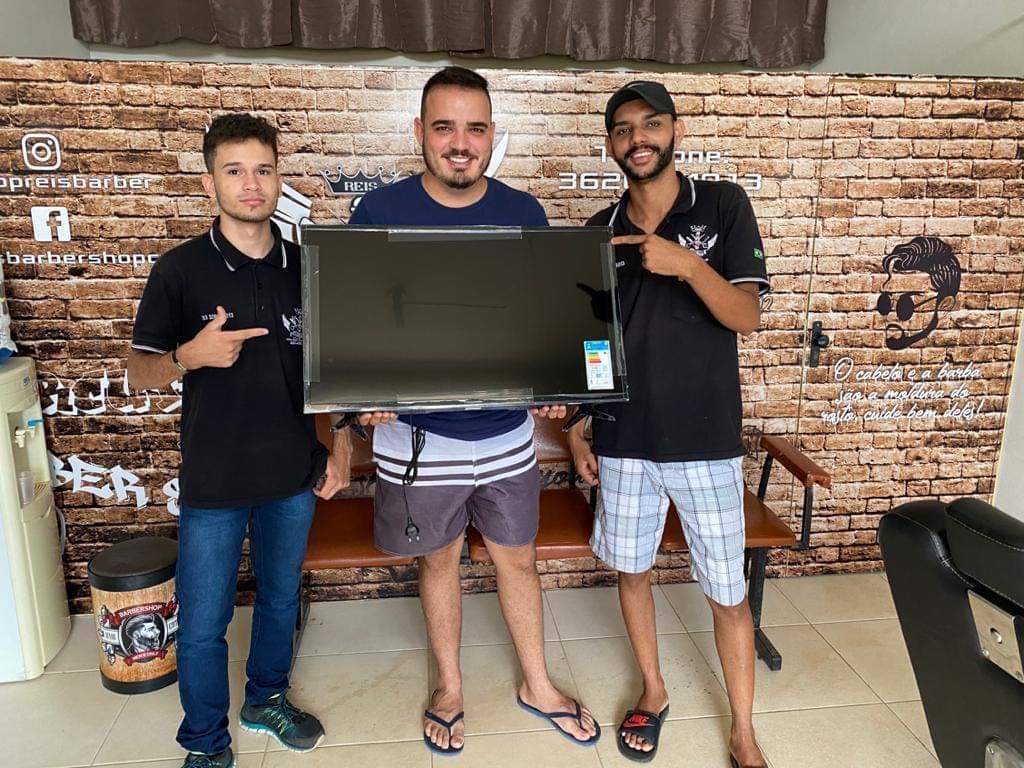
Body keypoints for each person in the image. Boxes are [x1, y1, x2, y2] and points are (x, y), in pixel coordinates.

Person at [348, 66, 600, 755]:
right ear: (418, 133)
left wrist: (557, 384)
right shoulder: (377, 213)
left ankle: (537, 685)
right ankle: (450, 690)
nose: (460, 143)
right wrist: (360, 395)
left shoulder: (525, 213)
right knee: (439, 562)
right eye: (444, 127)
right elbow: (356, 320)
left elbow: (542, 319)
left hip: (506, 435)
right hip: (417, 438)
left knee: (518, 560)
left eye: (475, 128)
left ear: (492, 136)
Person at [128, 113, 351, 768]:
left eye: (263, 170)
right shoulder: (179, 271)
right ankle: (205, 744)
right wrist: (187, 357)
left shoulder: (307, 266)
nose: (251, 184)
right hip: (215, 480)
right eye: (234, 171)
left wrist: (339, 446)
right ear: (210, 183)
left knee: (281, 600)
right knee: (203, 625)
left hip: (292, 474)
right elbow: (137, 370)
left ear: (279, 178)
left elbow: (335, 370)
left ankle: (266, 700)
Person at [568, 81, 770, 766]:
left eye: (651, 124)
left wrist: (686, 264)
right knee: (632, 572)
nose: (638, 138)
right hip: (625, 441)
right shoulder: (598, 230)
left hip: (705, 441)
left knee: (727, 593)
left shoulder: (722, 204)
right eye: (624, 129)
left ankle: (742, 731)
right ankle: (653, 691)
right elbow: (592, 344)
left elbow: (746, 316)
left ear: (676, 131)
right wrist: (578, 426)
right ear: (610, 144)